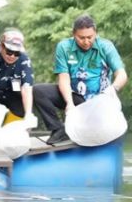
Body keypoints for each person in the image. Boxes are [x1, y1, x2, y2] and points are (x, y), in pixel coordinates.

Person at [33, 15, 127, 145]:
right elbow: (63, 77)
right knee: (37, 91)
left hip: (99, 101)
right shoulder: (64, 47)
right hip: (76, 96)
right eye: (81, 38)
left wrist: (112, 90)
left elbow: (121, 74)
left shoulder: (106, 46)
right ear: (74, 34)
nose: (86, 41)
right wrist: (69, 103)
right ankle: (58, 129)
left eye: (90, 37)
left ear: (96, 33)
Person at [0, 29, 35, 120]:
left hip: (9, 92)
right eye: (9, 51)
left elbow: (26, 88)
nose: (12, 56)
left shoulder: (24, 59)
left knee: (24, 109)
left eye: (17, 53)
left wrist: (28, 113)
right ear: (1, 46)